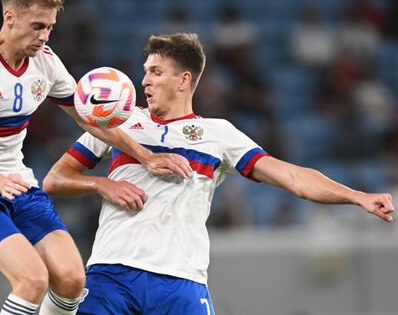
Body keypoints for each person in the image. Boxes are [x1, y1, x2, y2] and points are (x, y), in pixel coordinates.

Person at [42, 33, 395, 315]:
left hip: (180, 282)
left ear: (184, 80)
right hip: (111, 272)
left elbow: (291, 177)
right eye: (145, 70)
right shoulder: (117, 122)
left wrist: (357, 196)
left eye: (156, 72)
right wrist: (102, 183)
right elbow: (55, 179)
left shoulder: (218, 134)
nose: (144, 80)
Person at [0, 0, 191, 315]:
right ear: (10, 18)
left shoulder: (45, 61)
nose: (44, 36)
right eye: (37, 26)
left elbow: (87, 118)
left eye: (49, 27)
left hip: (15, 180)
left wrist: (146, 156)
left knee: (71, 279)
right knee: (33, 279)